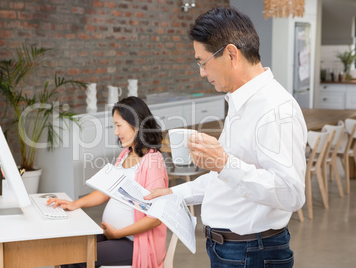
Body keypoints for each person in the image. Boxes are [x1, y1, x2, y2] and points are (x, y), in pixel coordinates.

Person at [145, 6, 307, 267]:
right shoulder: (241, 100)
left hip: (252, 253)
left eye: (203, 62)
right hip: (232, 250)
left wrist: (223, 163)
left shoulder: (275, 108)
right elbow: (227, 179)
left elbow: (292, 193)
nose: (202, 73)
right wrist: (174, 193)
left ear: (231, 54)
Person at [49, 96, 169, 268]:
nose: (115, 132)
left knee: (77, 259)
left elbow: (155, 218)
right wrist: (75, 204)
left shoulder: (152, 163)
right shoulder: (125, 155)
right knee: (69, 251)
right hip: (114, 235)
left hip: (134, 243)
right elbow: (106, 191)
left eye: (119, 125)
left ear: (136, 124)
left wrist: (118, 233)